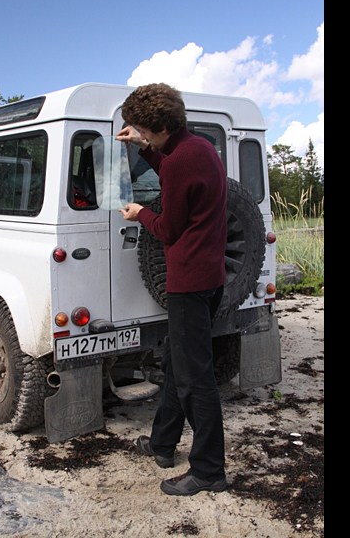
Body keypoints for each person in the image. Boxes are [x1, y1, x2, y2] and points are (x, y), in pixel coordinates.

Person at [116, 83, 228, 496]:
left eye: (142, 129)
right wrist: (143, 149)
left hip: (189, 283)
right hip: (210, 277)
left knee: (196, 379)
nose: (139, 133)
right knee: (179, 367)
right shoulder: (199, 148)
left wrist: (140, 212)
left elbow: (169, 229)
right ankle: (163, 444)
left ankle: (209, 471)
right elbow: (175, 171)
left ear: (159, 126)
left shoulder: (181, 160)